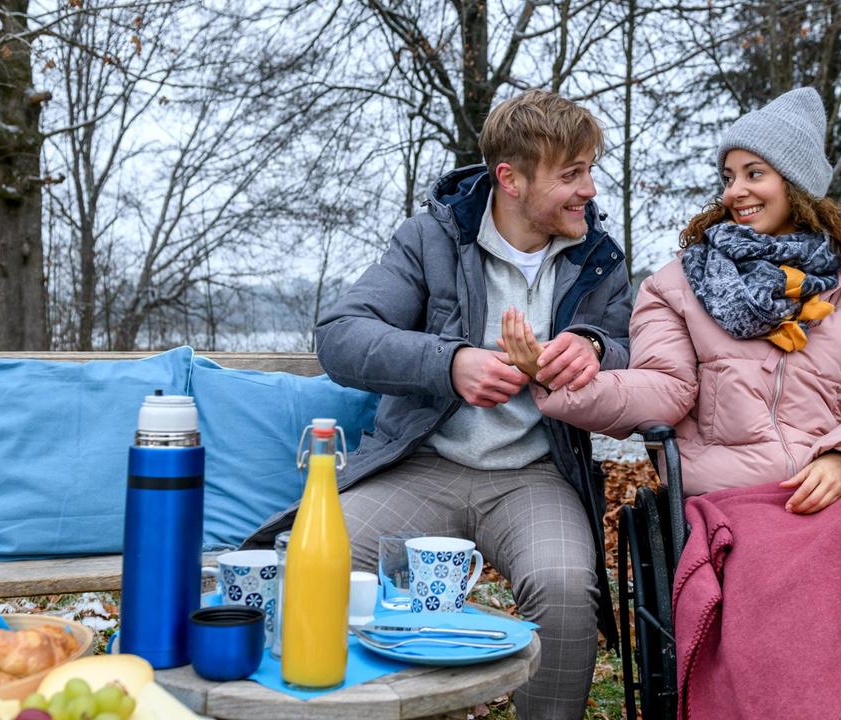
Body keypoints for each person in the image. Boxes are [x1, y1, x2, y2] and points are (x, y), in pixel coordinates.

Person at [502, 88, 841, 718]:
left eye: (754, 173)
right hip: (736, 500)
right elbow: (663, 387)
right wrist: (559, 377)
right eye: (729, 176)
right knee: (778, 577)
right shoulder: (677, 286)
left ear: (797, 183)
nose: (736, 190)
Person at [247, 90, 632, 720]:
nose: (589, 188)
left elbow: (628, 349)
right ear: (509, 178)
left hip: (537, 474)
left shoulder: (598, 258)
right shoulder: (432, 239)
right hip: (423, 465)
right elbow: (342, 335)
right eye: (571, 173)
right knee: (317, 561)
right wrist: (449, 364)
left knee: (566, 589)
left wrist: (593, 349)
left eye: (590, 169)